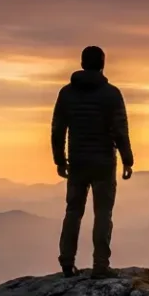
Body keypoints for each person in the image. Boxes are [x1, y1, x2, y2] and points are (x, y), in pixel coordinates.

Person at [51, 45, 134, 278]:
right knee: (103, 213)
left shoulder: (66, 93)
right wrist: (127, 159)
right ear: (102, 64)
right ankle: (100, 265)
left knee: (73, 211)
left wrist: (60, 160)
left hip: (77, 160)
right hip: (104, 162)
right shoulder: (111, 94)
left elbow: (58, 129)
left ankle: (67, 262)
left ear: (81, 63)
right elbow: (120, 130)